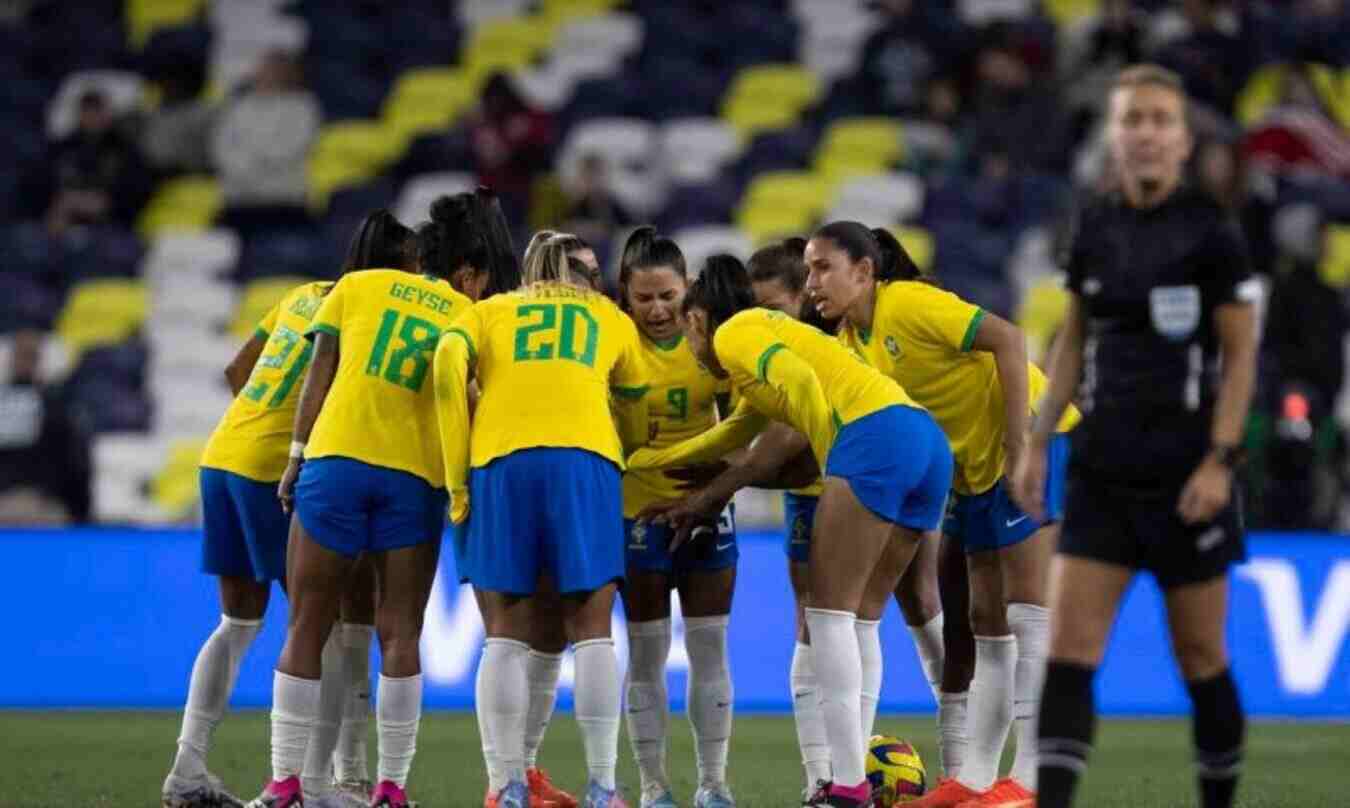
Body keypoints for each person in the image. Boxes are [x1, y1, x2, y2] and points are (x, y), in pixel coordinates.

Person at [1011, 65, 1259, 808]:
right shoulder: (1094, 224)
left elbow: (1242, 353)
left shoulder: (1212, 232)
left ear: (1182, 141)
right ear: (1115, 136)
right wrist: (1035, 440)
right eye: (1132, 120)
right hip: (1104, 469)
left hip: (1187, 472)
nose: (1145, 133)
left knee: (1201, 657)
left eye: (1159, 121)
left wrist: (1220, 461)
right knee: (1069, 654)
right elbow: (1070, 340)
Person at [625, 256, 953, 808]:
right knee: (862, 616)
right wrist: (636, 462)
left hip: (870, 440)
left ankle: (846, 786)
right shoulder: (758, 358)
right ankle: (872, 777)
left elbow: (800, 382)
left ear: (699, 320)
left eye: (686, 325)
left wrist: (832, 452)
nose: (686, 341)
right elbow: (730, 438)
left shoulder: (738, 333)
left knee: (825, 617)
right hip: (922, 440)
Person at [250, 190, 514, 808]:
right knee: (400, 634)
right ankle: (391, 788)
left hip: (337, 461)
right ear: (465, 268)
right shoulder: (465, 311)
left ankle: (285, 782)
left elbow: (321, 371)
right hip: (412, 479)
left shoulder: (359, 285)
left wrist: (295, 457)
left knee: (307, 624)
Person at [803, 223, 1078, 808]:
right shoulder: (852, 342)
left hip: (1025, 440)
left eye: (823, 267)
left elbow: (1008, 338)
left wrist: (1018, 445)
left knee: (1028, 612)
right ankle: (977, 778)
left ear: (864, 271)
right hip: (974, 470)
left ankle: (1029, 781)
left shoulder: (909, 304)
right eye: (808, 270)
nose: (811, 283)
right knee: (985, 621)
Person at [162, 209, 415, 808]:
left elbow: (237, 370)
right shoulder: (370, 314)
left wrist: (263, 425)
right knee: (318, 628)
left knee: (238, 623)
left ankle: (187, 770)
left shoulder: (303, 296)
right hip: (274, 471)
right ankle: (317, 786)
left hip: (223, 455)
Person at [434, 237, 648, 808]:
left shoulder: (490, 311)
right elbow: (636, 403)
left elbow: (447, 361)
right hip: (586, 458)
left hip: (500, 461)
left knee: (504, 630)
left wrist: (457, 472)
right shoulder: (609, 317)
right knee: (593, 627)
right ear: (574, 273)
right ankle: (603, 786)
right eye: (594, 271)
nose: (601, 282)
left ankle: (506, 786)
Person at [608, 227, 737, 808]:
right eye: (644, 299)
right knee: (646, 654)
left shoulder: (715, 342)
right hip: (639, 512)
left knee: (710, 649)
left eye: (669, 296)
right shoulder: (613, 347)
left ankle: (713, 783)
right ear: (624, 296)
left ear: (688, 289)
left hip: (709, 510)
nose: (658, 310)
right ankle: (653, 785)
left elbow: (748, 421)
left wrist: (722, 479)